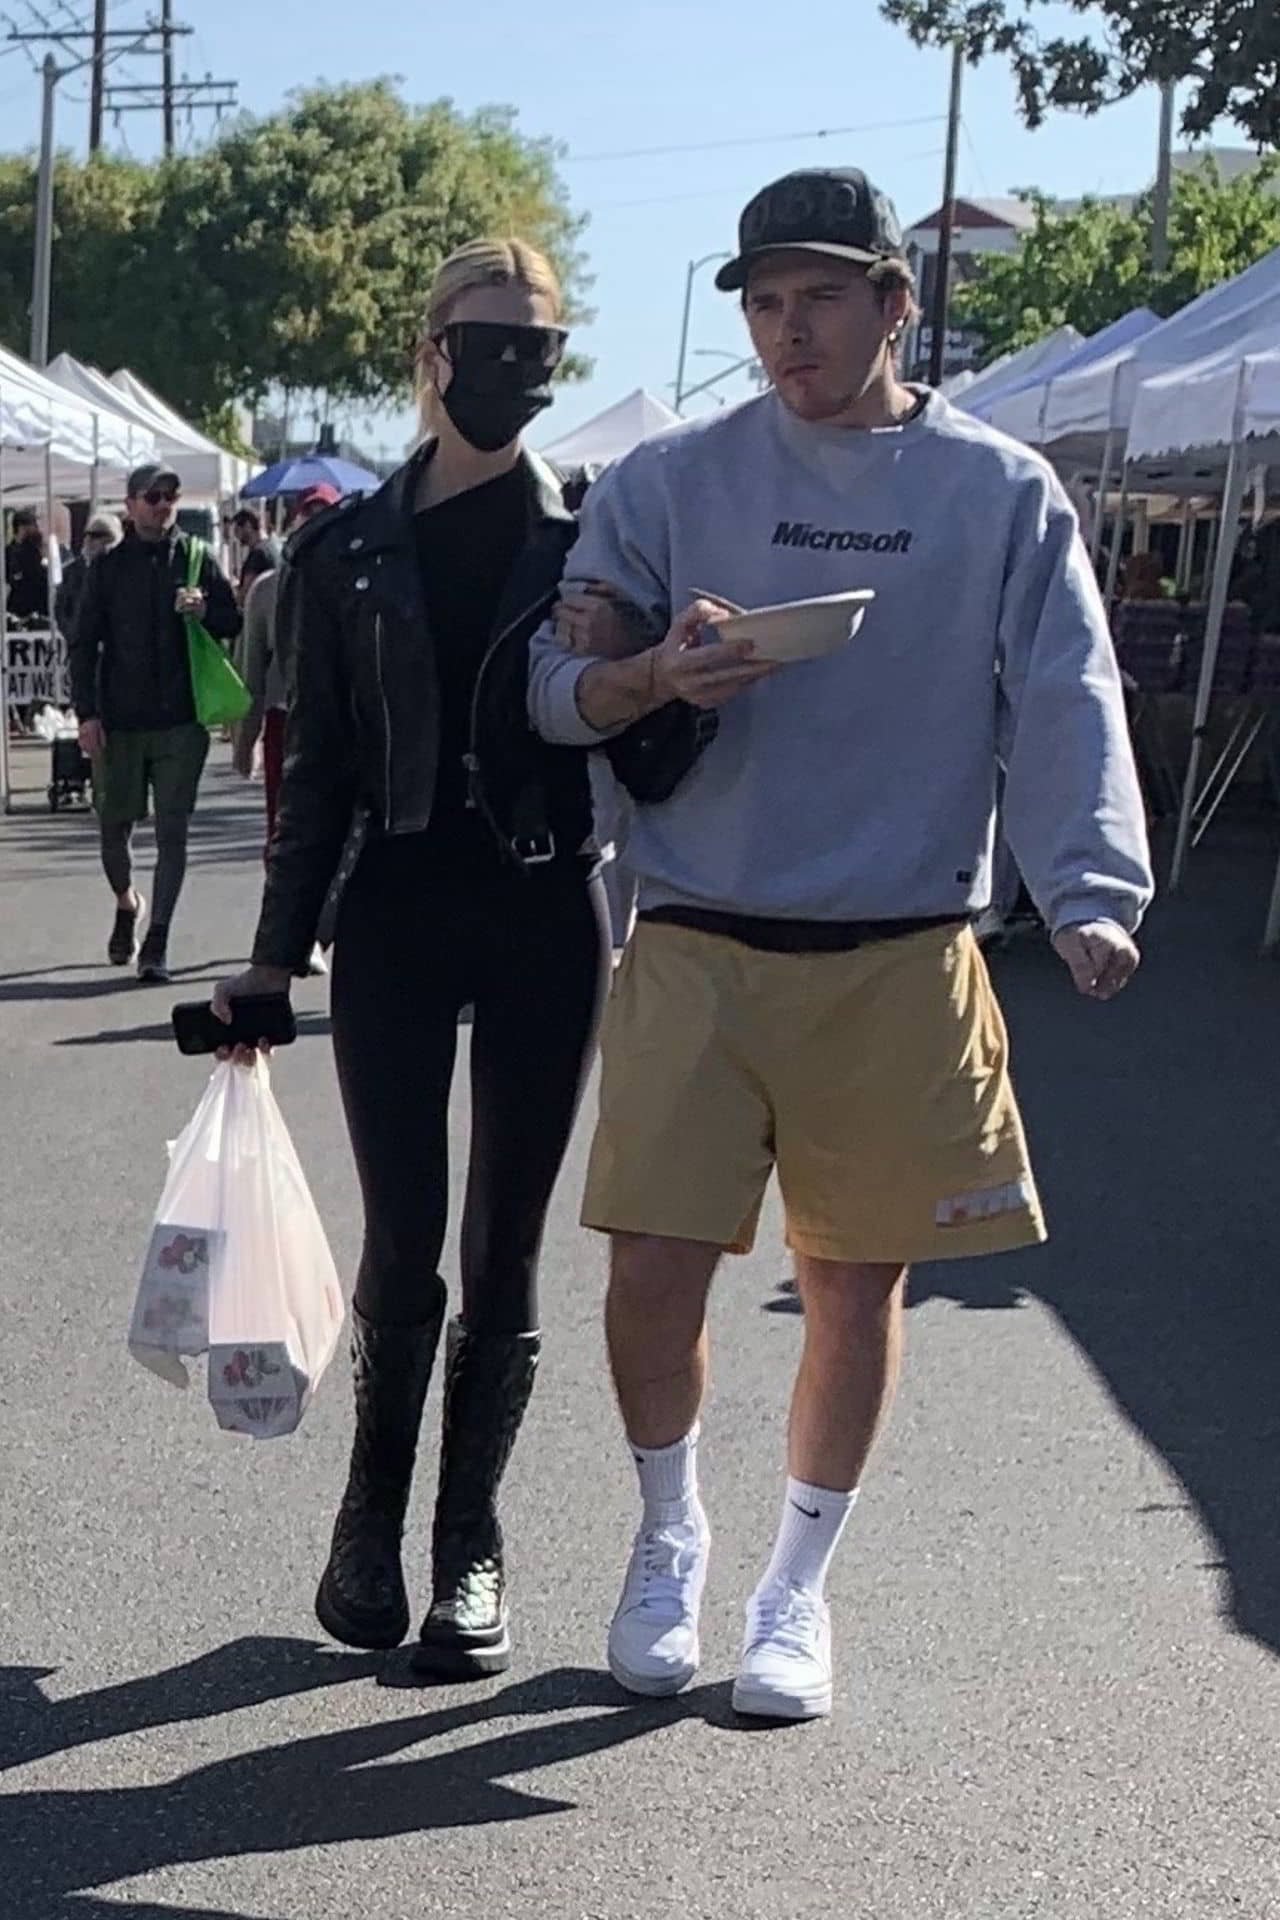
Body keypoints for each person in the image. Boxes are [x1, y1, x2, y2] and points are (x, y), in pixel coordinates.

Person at [530, 166, 1154, 1722]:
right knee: (651, 1275)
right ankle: (668, 1536)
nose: (784, 330)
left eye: (816, 297)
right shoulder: (670, 479)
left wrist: (1091, 888)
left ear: (895, 300)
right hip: (692, 929)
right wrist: (656, 679)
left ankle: (797, 1588)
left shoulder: (999, 492)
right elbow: (556, 686)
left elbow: (1068, 692)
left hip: (899, 942)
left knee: (851, 1291)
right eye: (760, 302)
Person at [211, 238, 691, 1681]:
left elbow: (663, 763)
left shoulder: (601, 546)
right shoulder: (343, 550)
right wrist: (270, 962)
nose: (509, 371)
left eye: (536, 347)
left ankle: (468, 1546)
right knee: (406, 1231)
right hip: (402, 917)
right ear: (431, 353)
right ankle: (367, 1520)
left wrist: (648, 664)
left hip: (552, 912)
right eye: (484, 342)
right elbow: (322, 783)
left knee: (509, 1246)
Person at [70, 463, 240, 984]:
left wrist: (205, 607)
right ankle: (128, 901)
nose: (163, 504)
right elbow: (82, 643)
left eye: (170, 495)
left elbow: (232, 622)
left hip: (180, 723)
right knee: (111, 833)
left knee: (173, 833)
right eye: (153, 496)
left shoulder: (195, 558)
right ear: (130, 504)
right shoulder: (108, 568)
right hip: (119, 722)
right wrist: (87, 714)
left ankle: (158, 940)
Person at [232, 484, 340, 842]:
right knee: (282, 826)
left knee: (334, 827)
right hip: (285, 718)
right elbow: (251, 669)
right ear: (295, 521)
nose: (317, 524)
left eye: (326, 515)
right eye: (309, 514)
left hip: (342, 719)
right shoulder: (267, 588)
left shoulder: (359, 582)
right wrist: (245, 741)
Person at [55, 512, 124, 642]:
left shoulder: (125, 569)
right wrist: (73, 634)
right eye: (88, 535)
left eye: (98, 535)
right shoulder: (71, 572)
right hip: (82, 646)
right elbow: (61, 608)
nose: (91, 540)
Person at [5, 508, 49, 622]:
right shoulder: (8, 553)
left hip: (38, 609)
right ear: (20, 528)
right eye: (31, 526)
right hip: (17, 611)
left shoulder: (38, 549)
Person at [231, 507, 280, 606]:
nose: (236, 536)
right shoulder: (273, 547)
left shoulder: (258, 554)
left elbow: (246, 594)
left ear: (248, 525)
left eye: (237, 530)